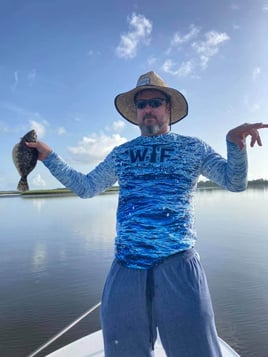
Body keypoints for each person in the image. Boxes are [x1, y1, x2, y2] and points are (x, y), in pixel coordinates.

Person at [27, 71, 268, 357]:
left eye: (154, 102)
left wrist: (235, 145)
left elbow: (235, 182)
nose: (148, 109)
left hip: (179, 266)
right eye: (141, 105)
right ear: (136, 113)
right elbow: (87, 186)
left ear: (169, 109)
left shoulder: (193, 148)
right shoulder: (122, 153)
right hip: (127, 266)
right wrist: (49, 157)